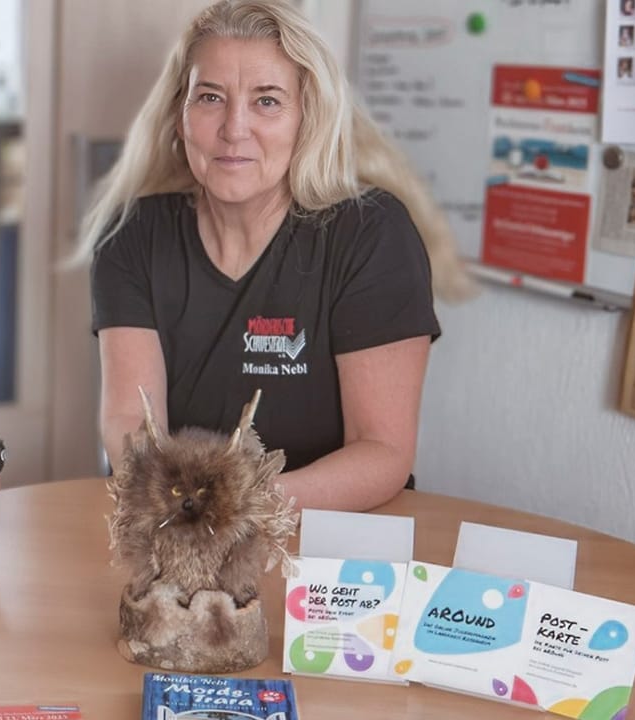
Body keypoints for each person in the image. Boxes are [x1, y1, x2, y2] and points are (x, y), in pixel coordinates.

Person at [76, 0, 474, 513]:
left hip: (328, 544)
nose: (234, 128)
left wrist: (230, 510)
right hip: (180, 536)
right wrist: (181, 524)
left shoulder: (370, 235)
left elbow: (383, 451)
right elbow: (132, 423)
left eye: (267, 101)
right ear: (180, 116)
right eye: (210, 97)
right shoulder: (131, 236)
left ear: (308, 119)